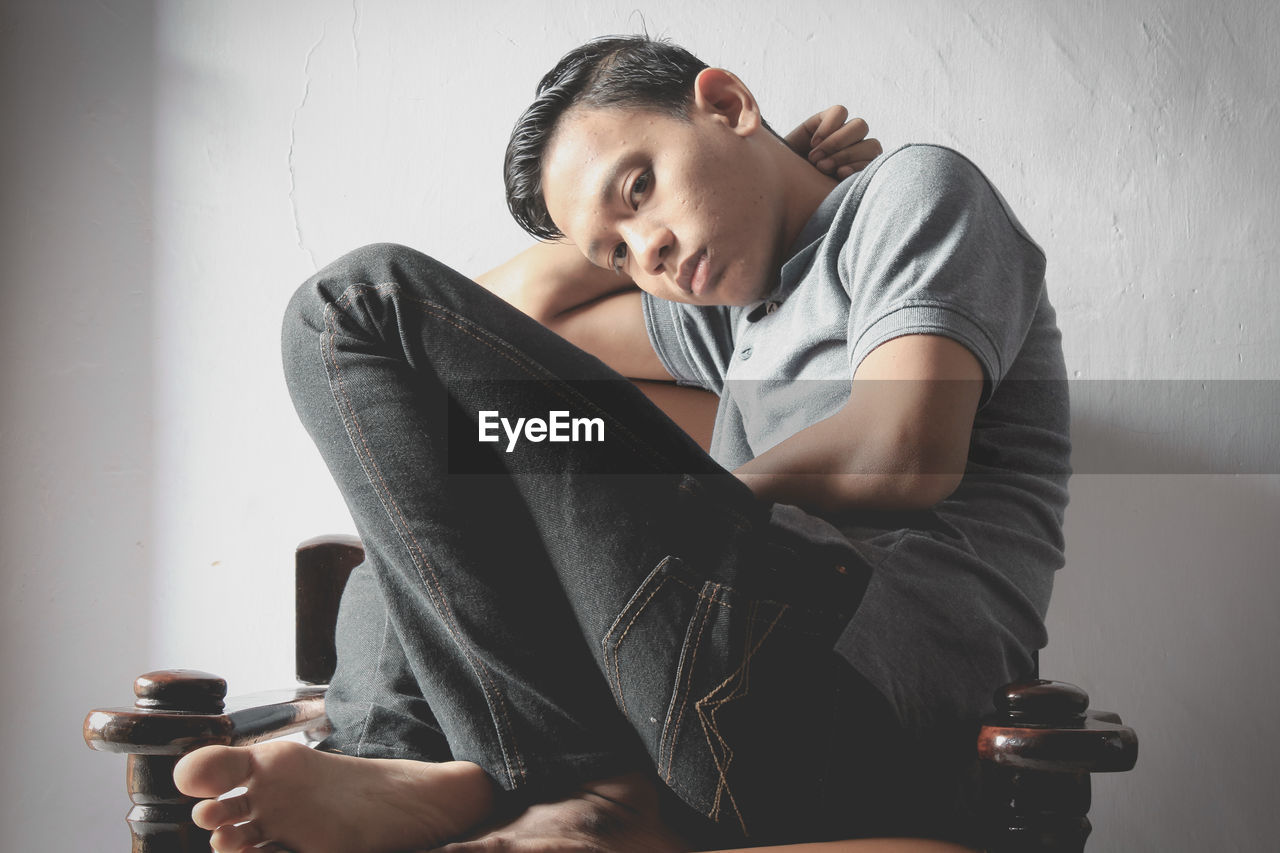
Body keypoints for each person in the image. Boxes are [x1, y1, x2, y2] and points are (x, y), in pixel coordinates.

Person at [173, 34, 1068, 853]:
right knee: (439, 472)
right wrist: (621, 232)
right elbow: (496, 323)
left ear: (725, 104)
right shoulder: (733, 323)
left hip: (858, 693)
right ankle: (400, 765)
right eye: (621, 256)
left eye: (641, 189)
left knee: (349, 304)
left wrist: (687, 497)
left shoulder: (911, 195)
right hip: (707, 712)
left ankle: (553, 780)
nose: (655, 251)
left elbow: (903, 450)